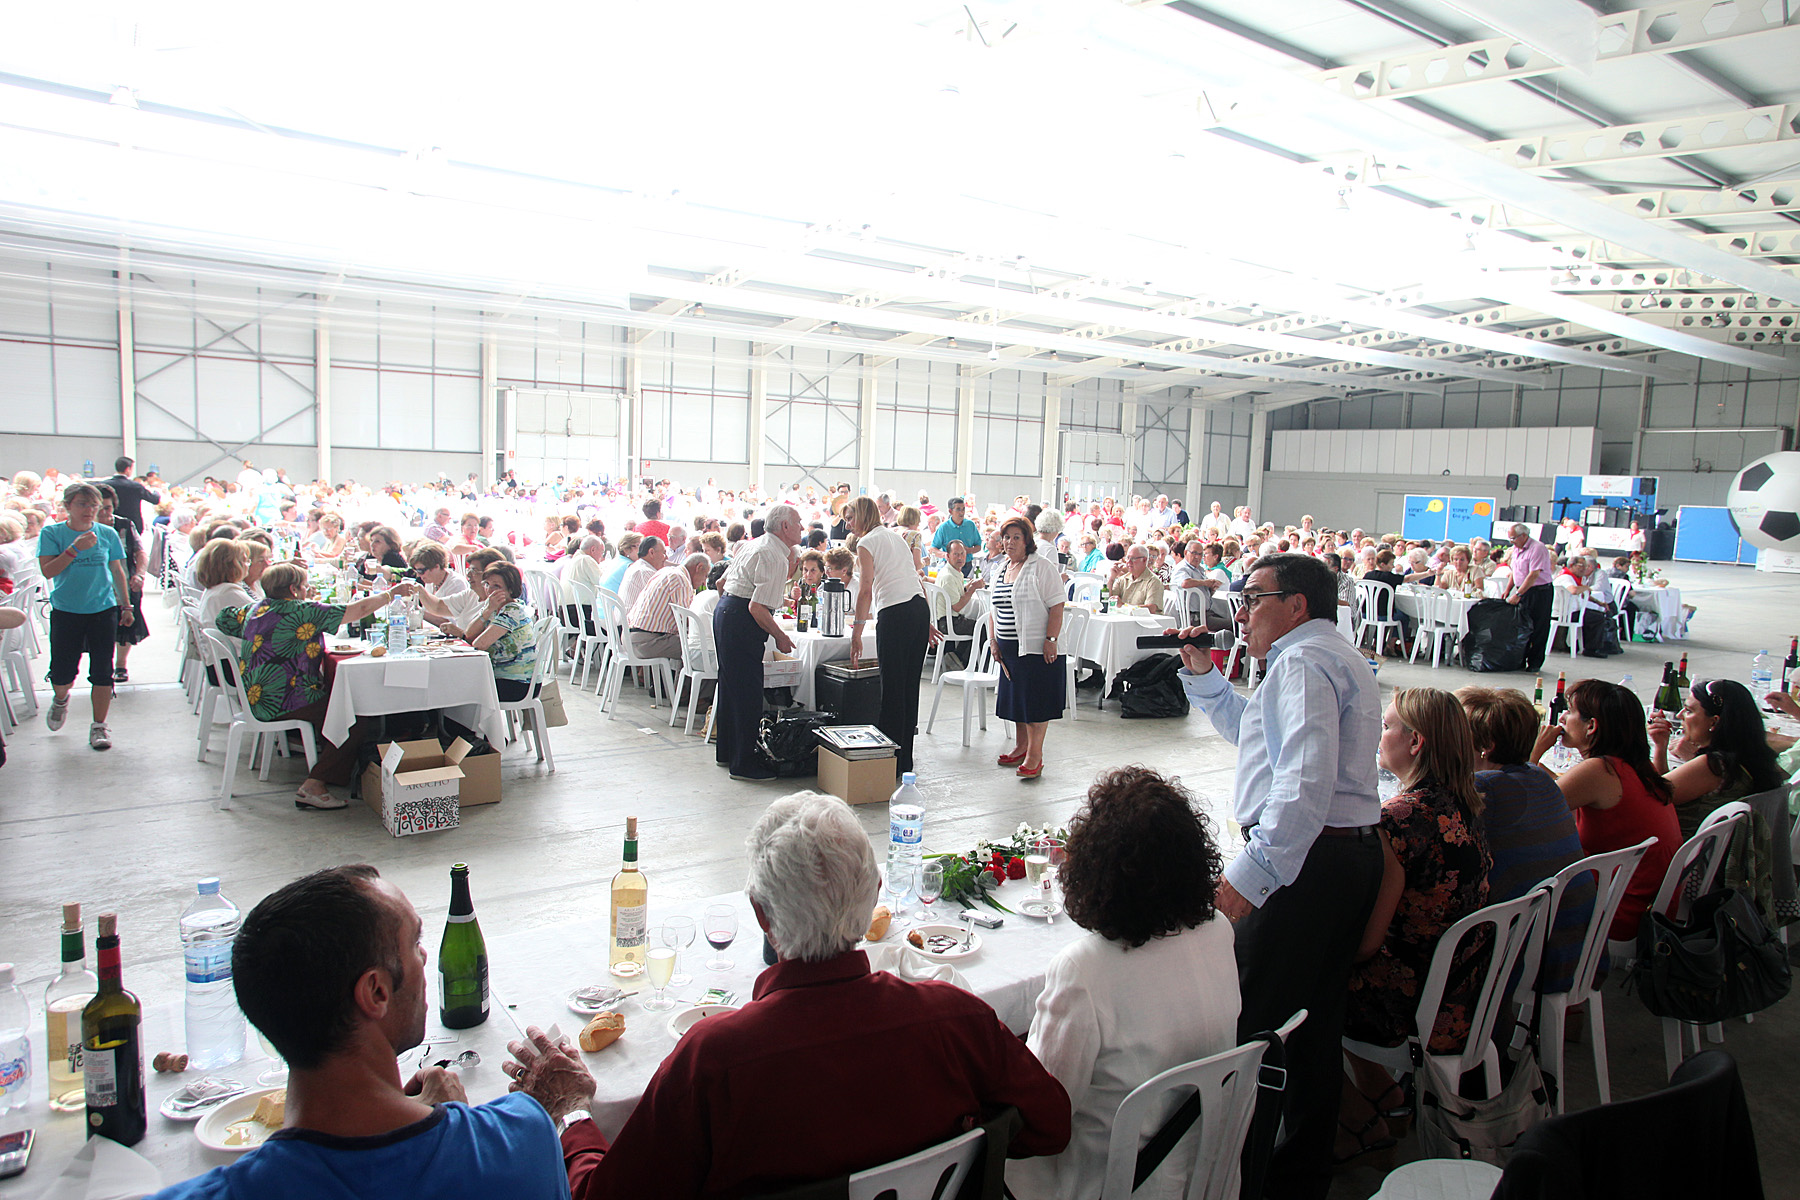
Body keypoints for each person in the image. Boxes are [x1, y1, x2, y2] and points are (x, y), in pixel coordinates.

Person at [507, 791, 1071, 1198]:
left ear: (762, 917)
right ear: (875, 894)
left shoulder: (714, 1060)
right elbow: (1050, 1125)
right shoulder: (957, 1019)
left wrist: (573, 1114)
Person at [147, 865, 566, 1200]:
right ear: (376, 992)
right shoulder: (518, 1141)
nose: (425, 957)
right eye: (414, 943)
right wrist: (457, 1129)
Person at [1176, 553, 1382, 1200]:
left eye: (1254, 598)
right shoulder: (1326, 655)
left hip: (1308, 863)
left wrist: (1252, 874)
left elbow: (1303, 781)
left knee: (1256, 1025)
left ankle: (1239, 1175)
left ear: (1297, 605)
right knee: (1313, 1024)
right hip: (1340, 857)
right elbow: (1261, 737)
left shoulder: (1302, 662)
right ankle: (1298, 1176)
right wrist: (1206, 679)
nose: (1241, 612)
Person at [1007, 767, 1239, 1200]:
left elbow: (1042, 1113)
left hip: (1112, 1183)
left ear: (1096, 871)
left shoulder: (1085, 970)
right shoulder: (1219, 932)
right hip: (1209, 1176)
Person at [1338, 688, 1491, 1164]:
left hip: (1418, 999)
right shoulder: (1464, 802)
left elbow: (1367, 946)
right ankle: (1385, 1096)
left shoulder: (1399, 820)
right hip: (1466, 983)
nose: (1378, 735)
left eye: (1387, 726)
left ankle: (1356, 1123)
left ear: (1416, 741)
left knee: (1292, 993)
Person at [216, 563, 411, 809]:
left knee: (335, 703)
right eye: (305, 586)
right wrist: (390, 594)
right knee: (353, 717)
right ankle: (315, 783)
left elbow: (222, 619)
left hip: (256, 694)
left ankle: (333, 766)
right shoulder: (304, 611)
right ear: (294, 589)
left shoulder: (254, 609)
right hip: (283, 699)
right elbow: (358, 609)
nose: (307, 590)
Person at [1457, 686, 1591, 997]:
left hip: (1531, 956)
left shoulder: (1482, 788)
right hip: (1573, 942)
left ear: (1485, 747)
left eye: (1455, 733)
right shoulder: (1538, 776)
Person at [1532, 679, 1680, 942]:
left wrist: (1532, 754)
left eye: (1570, 711)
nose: (1562, 718)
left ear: (1591, 726)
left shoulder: (1600, 770)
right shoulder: (1634, 765)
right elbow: (1559, 789)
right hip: (1649, 904)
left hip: (1617, 911)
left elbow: (1527, 809)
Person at [1648, 678, 1789, 920]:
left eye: (1689, 710)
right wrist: (1661, 748)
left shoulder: (1713, 766)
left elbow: (1651, 798)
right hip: (1720, 867)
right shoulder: (1753, 759)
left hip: (1685, 868)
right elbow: (1667, 791)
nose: (1680, 715)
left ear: (1714, 722)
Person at [38, 482, 134, 750]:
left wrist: (126, 606)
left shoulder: (107, 533)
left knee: (103, 670)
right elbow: (48, 571)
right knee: (63, 672)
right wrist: (75, 548)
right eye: (82, 504)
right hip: (66, 610)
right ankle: (60, 699)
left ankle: (99, 726)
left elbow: (117, 570)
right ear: (67, 506)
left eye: (94, 505)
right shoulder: (52, 533)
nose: (89, 510)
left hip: (102, 610)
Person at [846, 496, 935, 774]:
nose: (847, 524)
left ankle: (888, 761)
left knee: (893, 690)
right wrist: (927, 621)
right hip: (918, 609)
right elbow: (916, 578)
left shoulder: (866, 542)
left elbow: (865, 589)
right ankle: (904, 760)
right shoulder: (896, 537)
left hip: (896, 613)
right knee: (909, 688)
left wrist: (857, 632)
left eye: (850, 518)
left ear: (863, 516)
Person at [713, 505, 802, 781]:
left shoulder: (754, 545)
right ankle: (744, 763)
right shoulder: (774, 555)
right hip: (741, 618)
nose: (802, 527)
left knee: (730, 688)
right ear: (784, 527)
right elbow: (757, 608)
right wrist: (780, 636)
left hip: (726, 610)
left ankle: (727, 752)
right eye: (798, 523)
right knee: (748, 693)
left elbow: (720, 583)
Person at [990, 516, 1066, 780]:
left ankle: (1035, 755)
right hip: (1009, 650)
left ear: (1027, 541)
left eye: (1016, 537)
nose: (1010, 542)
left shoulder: (1041, 566)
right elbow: (993, 610)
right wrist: (993, 640)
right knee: (1017, 704)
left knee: (1035, 704)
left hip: (1035, 649)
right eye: (1006, 537)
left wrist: (1051, 639)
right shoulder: (1001, 568)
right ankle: (1021, 747)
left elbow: (1057, 605)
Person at [442, 562, 538, 701]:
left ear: (510, 590)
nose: (489, 590)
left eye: (496, 586)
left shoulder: (512, 611)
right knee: (450, 683)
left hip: (518, 683)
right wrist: (487, 611)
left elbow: (479, 644)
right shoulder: (493, 607)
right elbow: (469, 634)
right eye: (487, 584)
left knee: (454, 688)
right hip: (499, 677)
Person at [96, 485, 149, 684]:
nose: (104, 513)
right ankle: (104, 666)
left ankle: (120, 664)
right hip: (98, 586)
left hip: (126, 580)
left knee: (126, 626)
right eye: (99, 508)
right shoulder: (86, 529)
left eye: (108, 508)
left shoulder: (125, 525)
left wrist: (140, 575)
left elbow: (140, 552)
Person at [628, 551, 706, 663]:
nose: (704, 583)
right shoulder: (681, 580)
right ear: (699, 567)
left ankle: (681, 675)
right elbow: (686, 620)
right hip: (646, 643)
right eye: (705, 576)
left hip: (630, 638)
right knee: (700, 647)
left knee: (687, 641)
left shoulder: (665, 571)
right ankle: (686, 675)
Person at [1505, 522, 1555, 672]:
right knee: (1521, 626)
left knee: (1538, 627)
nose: (1511, 542)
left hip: (1539, 591)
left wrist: (1519, 594)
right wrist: (1508, 589)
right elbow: (1515, 571)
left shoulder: (1537, 548)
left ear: (1524, 536)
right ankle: (1519, 659)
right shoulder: (1516, 549)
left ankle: (1535, 662)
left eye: (1513, 538)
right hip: (1522, 589)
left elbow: (1533, 574)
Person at [410, 542, 485, 629]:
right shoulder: (430, 581)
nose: (418, 575)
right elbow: (436, 608)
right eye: (416, 571)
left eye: (421, 571)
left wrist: (416, 612)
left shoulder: (456, 583)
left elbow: (448, 622)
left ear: (436, 566)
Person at [102, 455, 161, 534]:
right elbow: (155, 500)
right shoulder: (135, 486)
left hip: (110, 523)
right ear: (128, 469)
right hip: (132, 525)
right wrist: (156, 491)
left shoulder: (105, 485)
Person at [1107, 544, 1164, 610]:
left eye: (1133, 559)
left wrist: (1123, 606)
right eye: (1127, 558)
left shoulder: (1153, 581)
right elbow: (1108, 600)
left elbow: (1151, 609)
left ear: (1144, 560)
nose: (1128, 562)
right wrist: (1112, 579)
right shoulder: (1123, 579)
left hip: (1144, 617)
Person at [619, 536, 663, 613]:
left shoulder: (636, 566)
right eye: (664, 553)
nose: (666, 557)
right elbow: (663, 601)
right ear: (651, 552)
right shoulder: (645, 572)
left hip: (622, 617)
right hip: (629, 619)